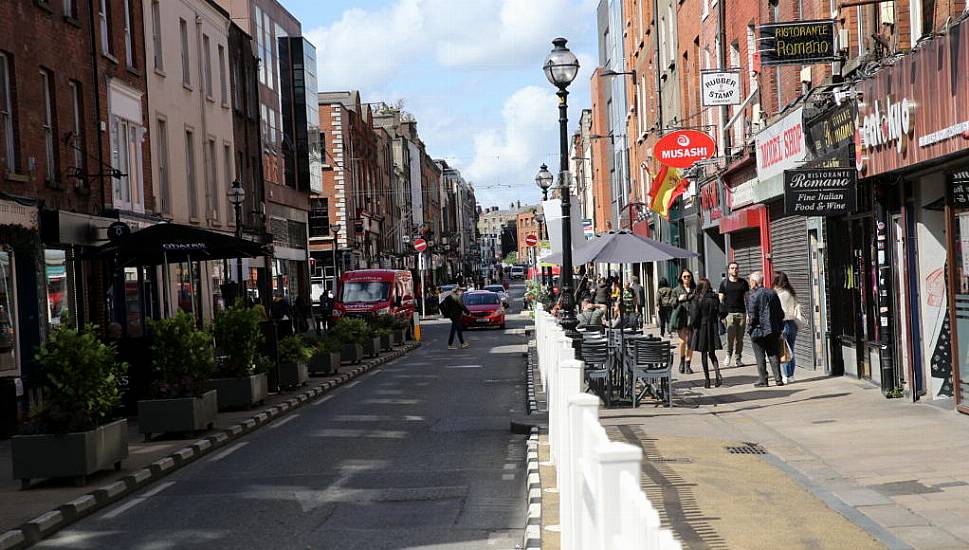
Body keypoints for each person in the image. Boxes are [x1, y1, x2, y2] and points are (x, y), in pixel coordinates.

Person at [746, 271, 785, 387]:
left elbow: (753, 316)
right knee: (773, 353)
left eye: (750, 281)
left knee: (760, 356)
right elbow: (780, 312)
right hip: (772, 329)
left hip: (758, 330)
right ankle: (778, 379)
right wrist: (779, 326)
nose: (749, 283)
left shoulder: (753, 296)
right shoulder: (772, 293)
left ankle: (763, 380)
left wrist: (750, 328)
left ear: (754, 282)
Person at [690, 278, 724, 388]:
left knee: (704, 353)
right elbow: (722, 311)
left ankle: (707, 380)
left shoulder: (698, 298)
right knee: (712, 353)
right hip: (712, 326)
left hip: (702, 327)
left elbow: (695, 315)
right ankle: (717, 374)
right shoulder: (714, 297)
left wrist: (693, 326)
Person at [774, 271, 804, 384]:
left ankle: (786, 375)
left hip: (783, 323)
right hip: (793, 324)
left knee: (784, 350)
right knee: (791, 349)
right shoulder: (791, 293)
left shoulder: (778, 294)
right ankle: (791, 375)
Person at [718, 261, 750, 368]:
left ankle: (738, 359)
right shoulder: (724, 283)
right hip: (729, 314)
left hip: (741, 313)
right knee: (730, 337)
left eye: (736, 268)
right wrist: (722, 315)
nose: (735, 270)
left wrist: (749, 313)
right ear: (728, 270)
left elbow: (747, 299)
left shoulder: (743, 283)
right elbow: (720, 300)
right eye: (732, 268)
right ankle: (728, 355)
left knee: (740, 338)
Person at [669, 269, 697, 374]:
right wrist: (678, 299)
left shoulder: (694, 289)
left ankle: (688, 363)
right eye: (684, 276)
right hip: (681, 318)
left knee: (691, 342)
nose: (687, 278)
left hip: (693, 318)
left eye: (688, 276)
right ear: (681, 278)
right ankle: (681, 361)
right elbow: (671, 303)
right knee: (682, 341)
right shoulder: (676, 290)